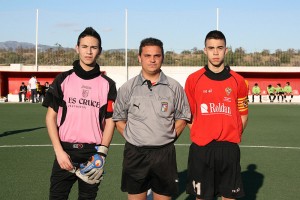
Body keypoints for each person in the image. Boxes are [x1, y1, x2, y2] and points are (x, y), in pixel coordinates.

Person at [42, 27, 117, 200]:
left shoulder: (108, 84)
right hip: (65, 152)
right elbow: (50, 117)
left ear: (99, 51)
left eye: (93, 47)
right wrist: (59, 152)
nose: (88, 51)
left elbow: (111, 120)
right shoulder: (62, 79)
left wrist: (102, 154)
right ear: (77, 48)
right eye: (84, 46)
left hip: (93, 154)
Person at [112, 37, 191, 200]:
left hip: (164, 154)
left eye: (157, 55)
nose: (152, 60)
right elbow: (118, 118)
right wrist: (132, 137)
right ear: (140, 58)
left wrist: (168, 137)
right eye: (147, 56)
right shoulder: (127, 88)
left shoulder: (174, 87)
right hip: (135, 153)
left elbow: (183, 117)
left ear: (163, 57)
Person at [185, 30, 249, 200]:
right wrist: (201, 131)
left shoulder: (238, 81)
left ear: (226, 50)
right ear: (204, 50)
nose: (215, 52)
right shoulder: (193, 79)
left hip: (229, 149)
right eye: (211, 48)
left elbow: (243, 114)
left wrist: (232, 133)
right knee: (202, 197)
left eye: (219, 48)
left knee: (229, 197)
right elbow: (189, 114)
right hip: (202, 149)